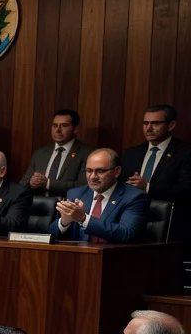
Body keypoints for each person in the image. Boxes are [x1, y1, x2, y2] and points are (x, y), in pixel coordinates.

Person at [123, 104, 191, 242]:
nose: (148, 128)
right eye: (146, 123)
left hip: (172, 225)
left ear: (171, 125)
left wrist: (148, 187)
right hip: (132, 219)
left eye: (155, 123)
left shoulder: (185, 152)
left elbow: (186, 190)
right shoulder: (132, 153)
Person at [50, 148, 148, 243]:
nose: (93, 177)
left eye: (100, 171)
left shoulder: (134, 197)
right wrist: (64, 222)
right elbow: (51, 235)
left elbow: (127, 233)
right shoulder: (76, 193)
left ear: (117, 171)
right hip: (78, 256)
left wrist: (84, 219)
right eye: (89, 171)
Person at [19, 109, 86, 197]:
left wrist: (48, 184)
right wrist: (31, 183)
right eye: (54, 125)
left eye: (64, 126)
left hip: (68, 205)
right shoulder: (40, 153)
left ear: (76, 129)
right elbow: (23, 184)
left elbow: (84, 186)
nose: (58, 130)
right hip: (38, 206)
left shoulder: (86, 153)